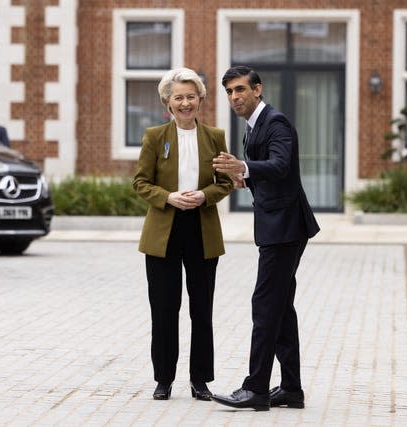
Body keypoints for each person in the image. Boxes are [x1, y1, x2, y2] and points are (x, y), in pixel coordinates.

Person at [211, 65, 320, 411]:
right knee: (281, 307)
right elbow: (270, 172)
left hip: (285, 227)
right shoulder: (253, 126)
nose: (234, 97)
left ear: (258, 89)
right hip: (277, 225)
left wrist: (244, 168)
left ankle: (256, 387)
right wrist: (247, 177)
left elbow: (281, 164)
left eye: (240, 89)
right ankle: (291, 388)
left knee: (265, 305)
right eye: (229, 92)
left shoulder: (275, 123)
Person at [133, 67, 233, 401]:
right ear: (168, 102)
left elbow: (226, 182)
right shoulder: (154, 137)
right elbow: (141, 182)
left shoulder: (215, 136)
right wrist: (168, 197)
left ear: (200, 99)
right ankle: (164, 379)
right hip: (164, 229)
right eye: (179, 97)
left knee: (201, 310)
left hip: (202, 229)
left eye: (191, 96)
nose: (185, 102)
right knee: (163, 309)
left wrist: (205, 195)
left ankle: (200, 380)